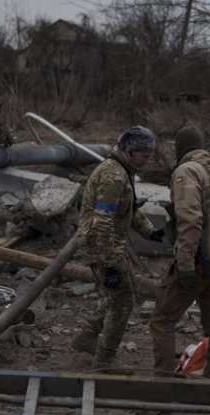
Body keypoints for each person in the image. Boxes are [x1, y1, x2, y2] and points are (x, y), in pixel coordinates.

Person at [71, 126, 165, 367]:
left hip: (109, 245)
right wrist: (110, 263)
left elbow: (129, 208)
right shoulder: (114, 176)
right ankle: (104, 360)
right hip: (102, 247)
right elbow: (102, 220)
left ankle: (87, 336)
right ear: (130, 151)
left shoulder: (124, 170)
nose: (148, 161)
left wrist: (150, 233)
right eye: (144, 156)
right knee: (122, 302)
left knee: (119, 296)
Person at [149, 125, 210, 378]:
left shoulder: (187, 171)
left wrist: (185, 262)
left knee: (162, 321)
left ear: (181, 149)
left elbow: (190, 220)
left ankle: (162, 384)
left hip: (198, 260)